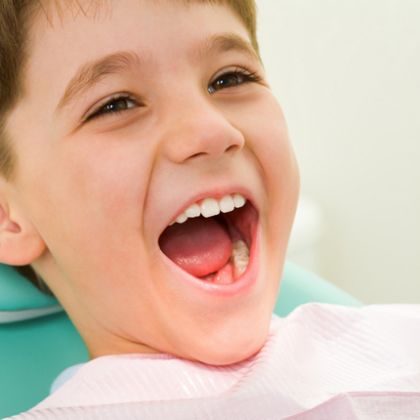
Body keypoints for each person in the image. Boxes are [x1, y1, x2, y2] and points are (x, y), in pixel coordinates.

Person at [0, 1, 419, 419]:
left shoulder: (399, 348)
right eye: (117, 105)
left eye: (230, 78)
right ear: (6, 215)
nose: (213, 130)